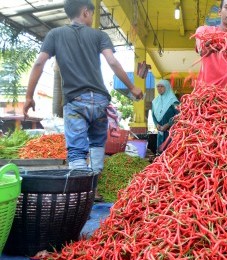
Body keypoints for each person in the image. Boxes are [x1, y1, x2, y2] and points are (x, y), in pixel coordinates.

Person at [23, 0, 143, 173]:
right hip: (100, 101)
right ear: (86, 12)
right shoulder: (99, 36)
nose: (92, 17)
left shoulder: (55, 34)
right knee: (96, 145)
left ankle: (80, 189)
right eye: (92, 14)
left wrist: (29, 96)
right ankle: (93, 187)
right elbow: (112, 62)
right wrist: (132, 87)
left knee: (77, 151)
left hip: (76, 101)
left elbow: (39, 63)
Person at [152, 80, 179, 154]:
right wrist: (156, 124)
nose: (159, 88)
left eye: (162, 86)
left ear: (167, 87)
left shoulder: (173, 101)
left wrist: (168, 124)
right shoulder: (155, 101)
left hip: (171, 132)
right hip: (160, 131)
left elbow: (179, 115)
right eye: (158, 86)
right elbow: (153, 115)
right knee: (160, 152)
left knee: (170, 153)